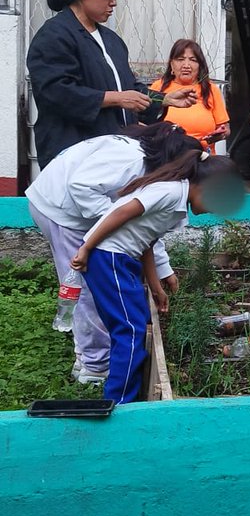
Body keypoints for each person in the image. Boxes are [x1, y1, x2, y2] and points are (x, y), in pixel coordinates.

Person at [25, 124, 201, 384]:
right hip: (62, 210)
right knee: (86, 290)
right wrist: (114, 220)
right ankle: (95, 367)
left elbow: (145, 229)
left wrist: (163, 269)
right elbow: (81, 186)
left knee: (90, 287)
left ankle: (88, 357)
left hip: (64, 204)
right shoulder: (132, 159)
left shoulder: (149, 164)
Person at [69, 152, 245, 404]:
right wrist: (86, 248)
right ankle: (118, 402)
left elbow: (147, 242)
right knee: (130, 330)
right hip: (110, 257)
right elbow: (121, 213)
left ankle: (123, 394)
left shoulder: (177, 202)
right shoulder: (170, 192)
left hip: (121, 259)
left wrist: (156, 287)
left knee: (134, 323)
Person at [26, 0, 197, 169]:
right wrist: (116, 98)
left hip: (115, 153)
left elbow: (129, 89)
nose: (113, 2)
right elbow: (56, 92)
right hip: (73, 154)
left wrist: (164, 99)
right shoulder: (55, 35)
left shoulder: (112, 40)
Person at [149, 39, 229, 149]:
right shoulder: (158, 87)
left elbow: (225, 129)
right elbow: (144, 124)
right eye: (180, 59)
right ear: (172, 64)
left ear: (200, 65)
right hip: (166, 153)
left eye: (193, 60)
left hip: (201, 153)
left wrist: (219, 134)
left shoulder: (210, 89)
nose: (186, 65)